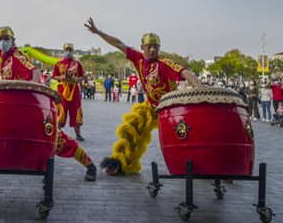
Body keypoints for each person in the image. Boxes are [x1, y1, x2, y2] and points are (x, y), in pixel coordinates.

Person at [0, 12, 97, 181]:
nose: (1, 42)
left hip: (26, 105)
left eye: (6, 38)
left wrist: (34, 90)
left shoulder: (17, 56)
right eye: (0, 39)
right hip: (10, 105)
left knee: (56, 138)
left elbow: (35, 71)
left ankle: (90, 165)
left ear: (13, 40)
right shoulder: (3, 54)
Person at [84, 18, 202, 175]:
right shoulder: (137, 58)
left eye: (156, 47)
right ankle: (121, 163)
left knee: (183, 136)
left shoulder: (164, 62)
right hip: (150, 106)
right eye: (149, 46)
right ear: (142, 47)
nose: (152, 50)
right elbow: (118, 44)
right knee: (131, 130)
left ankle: (205, 165)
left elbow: (184, 72)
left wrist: (198, 86)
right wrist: (98, 32)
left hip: (168, 107)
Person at [50, 43, 86, 141]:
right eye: (66, 50)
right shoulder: (59, 64)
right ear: (64, 51)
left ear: (73, 51)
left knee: (76, 110)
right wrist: (61, 77)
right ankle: (58, 133)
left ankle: (78, 134)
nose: (68, 52)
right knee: (61, 110)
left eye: (70, 50)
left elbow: (83, 76)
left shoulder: (77, 64)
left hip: (74, 89)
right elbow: (54, 76)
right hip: (62, 89)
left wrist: (77, 79)